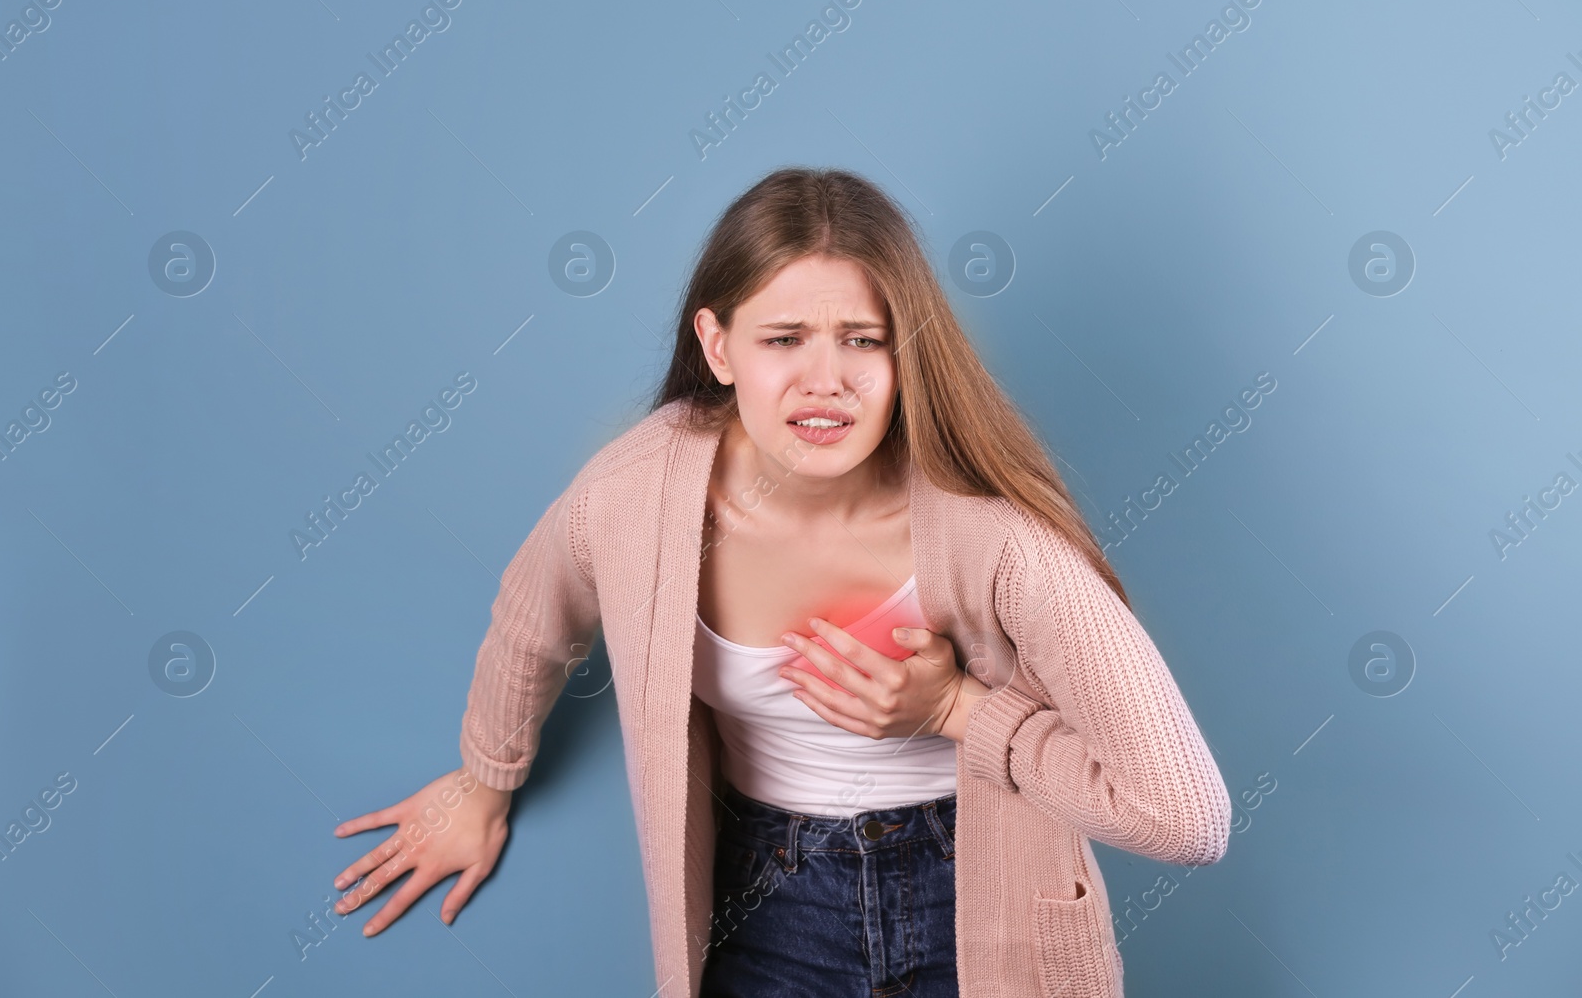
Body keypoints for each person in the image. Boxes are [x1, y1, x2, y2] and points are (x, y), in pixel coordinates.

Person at [327, 167, 1233, 997]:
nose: (824, 380)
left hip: (984, 886)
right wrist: (486, 782)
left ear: (903, 356)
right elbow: (536, 615)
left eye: (862, 340)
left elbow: (1186, 817)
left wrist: (957, 712)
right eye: (785, 337)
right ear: (718, 347)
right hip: (771, 894)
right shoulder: (637, 494)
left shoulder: (996, 542)